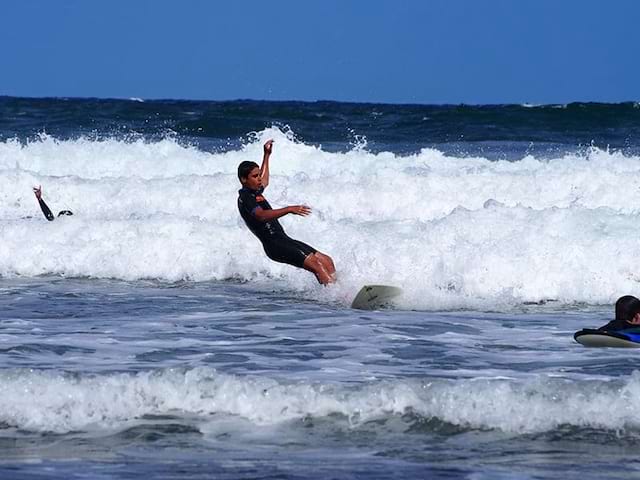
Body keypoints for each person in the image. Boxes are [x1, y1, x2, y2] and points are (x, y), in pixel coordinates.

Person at [237, 140, 336, 285]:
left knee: (326, 260)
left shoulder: (254, 191)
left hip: (283, 239)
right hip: (274, 245)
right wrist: (288, 209)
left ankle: (337, 289)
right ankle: (337, 298)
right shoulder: (246, 197)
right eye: (254, 176)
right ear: (243, 179)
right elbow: (261, 215)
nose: (259, 179)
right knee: (316, 265)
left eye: (258, 175)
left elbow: (264, 179)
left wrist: (266, 155)